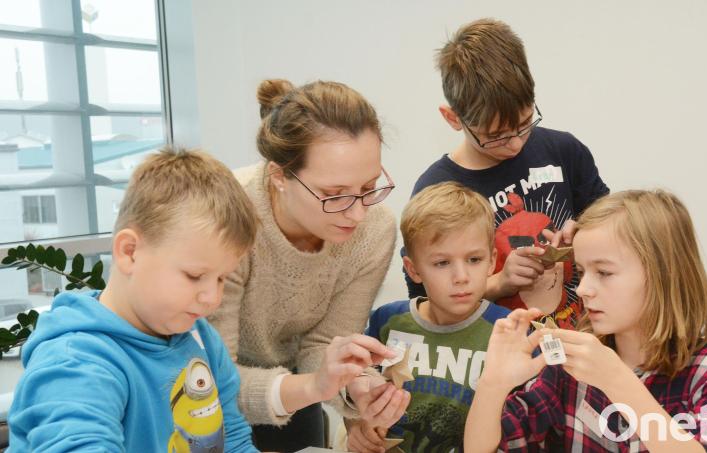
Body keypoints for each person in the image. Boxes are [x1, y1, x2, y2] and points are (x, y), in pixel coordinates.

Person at [8, 148, 260, 452]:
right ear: (129, 252)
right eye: (194, 276)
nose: (212, 298)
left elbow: (231, 439)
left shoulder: (200, 337)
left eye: (221, 278)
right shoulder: (76, 363)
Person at [209, 79, 407, 452]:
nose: (358, 211)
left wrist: (356, 386)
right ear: (279, 176)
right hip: (211, 397)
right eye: (334, 195)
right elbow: (214, 379)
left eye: (369, 186)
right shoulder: (230, 217)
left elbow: (324, 344)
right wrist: (316, 384)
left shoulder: (375, 229)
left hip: (299, 396)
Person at [464, 189, 707, 452]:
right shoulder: (568, 367)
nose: (583, 289)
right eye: (583, 271)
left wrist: (617, 381)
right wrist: (493, 384)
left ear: (664, 276)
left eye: (605, 273)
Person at [409, 18, 609, 328]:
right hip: (500, 357)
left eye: (525, 123)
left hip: (582, 335)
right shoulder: (436, 188)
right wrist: (499, 283)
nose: (515, 143)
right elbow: (424, 301)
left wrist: (584, 231)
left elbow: (617, 233)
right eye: (497, 135)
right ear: (453, 118)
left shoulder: (564, 150)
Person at [346, 182, 511, 453]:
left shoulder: (509, 332)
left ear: (492, 261)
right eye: (442, 263)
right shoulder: (387, 322)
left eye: (474, 259)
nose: (461, 277)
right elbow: (352, 390)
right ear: (413, 269)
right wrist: (355, 426)